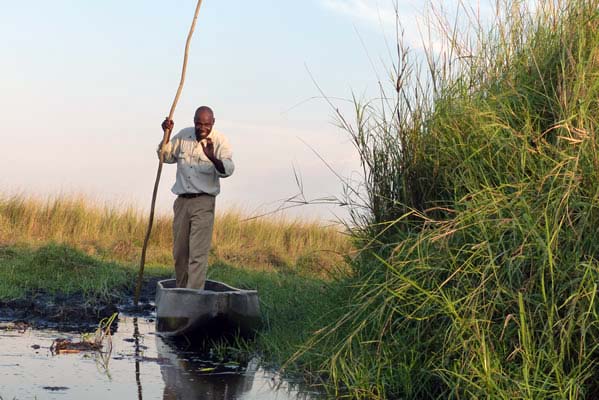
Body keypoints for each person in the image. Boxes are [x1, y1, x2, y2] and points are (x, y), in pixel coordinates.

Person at [159, 106, 234, 289]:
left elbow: (228, 170)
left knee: (197, 255)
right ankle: (180, 293)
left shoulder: (219, 141)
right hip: (182, 202)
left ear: (213, 123)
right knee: (180, 253)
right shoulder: (184, 135)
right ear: (194, 122)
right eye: (199, 124)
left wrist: (212, 157)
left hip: (204, 202)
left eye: (206, 124)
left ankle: (192, 298)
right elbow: (165, 157)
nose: (202, 128)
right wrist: (166, 134)